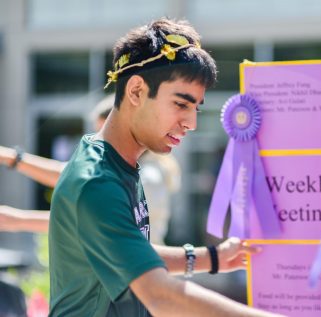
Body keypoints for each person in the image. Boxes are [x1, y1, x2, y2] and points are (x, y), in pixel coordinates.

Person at [47, 18, 283, 317]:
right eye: (180, 104)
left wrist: (212, 258)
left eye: (195, 109)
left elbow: (129, 252)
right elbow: (160, 295)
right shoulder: (97, 181)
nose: (191, 123)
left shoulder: (116, 162)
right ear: (135, 91)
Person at [0, 95, 181, 244]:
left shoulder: (146, 178)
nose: (99, 141)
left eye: (105, 132)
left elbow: (87, 219)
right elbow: (72, 175)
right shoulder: (129, 169)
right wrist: (11, 158)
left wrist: (16, 220)